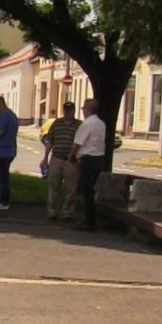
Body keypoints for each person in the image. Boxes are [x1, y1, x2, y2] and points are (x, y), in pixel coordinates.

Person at [67, 98, 106, 231]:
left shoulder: (87, 124)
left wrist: (71, 156)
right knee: (91, 190)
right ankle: (91, 219)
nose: (83, 111)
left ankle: (89, 222)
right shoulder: (101, 124)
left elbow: (78, 143)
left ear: (87, 110)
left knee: (86, 191)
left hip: (87, 159)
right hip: (99, 158)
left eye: (83, 108)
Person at [40, 101, 80, 221]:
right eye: (66, 110)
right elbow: (49, 141)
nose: (68, 112)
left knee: (71, 188)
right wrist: (45, 157)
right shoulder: (57, 123)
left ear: (74, 111)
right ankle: (52, 212)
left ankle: (68, 213)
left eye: (70, 110)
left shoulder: (79, 125)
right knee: (53, 186)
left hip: (71, 160)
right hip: (56, 157)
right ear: (64, 111)